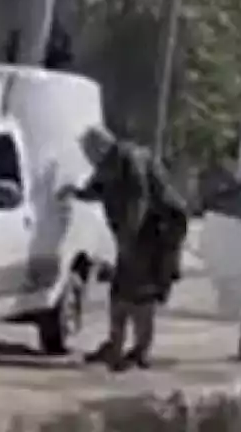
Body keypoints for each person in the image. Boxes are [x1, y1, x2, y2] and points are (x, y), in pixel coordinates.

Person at [60, 128, 189, 371]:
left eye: (88, 153)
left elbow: (138, 202)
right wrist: (76, 193)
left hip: (157, 232)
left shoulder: (130, 160)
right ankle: (115, 345)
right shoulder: (111, 162)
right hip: (138, 235)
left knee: (142, 294)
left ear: (100, 148)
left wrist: (128, 241)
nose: (88, 160)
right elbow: (97, 189)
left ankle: (141, 350)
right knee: (120, 291)